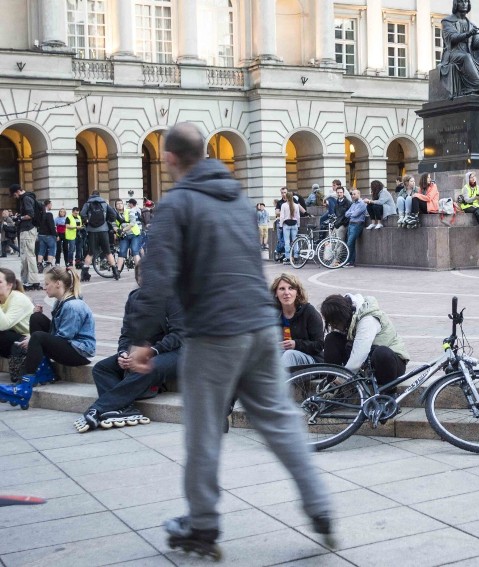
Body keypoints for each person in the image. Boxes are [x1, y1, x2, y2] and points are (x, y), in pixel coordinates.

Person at [126, 122, 333, 555]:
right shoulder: (238, 199)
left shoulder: (176, 204)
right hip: (260, 325)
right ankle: (319, 505)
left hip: (214, 332)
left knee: (202, 431)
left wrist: (141, 339)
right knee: (279, 419)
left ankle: (202, 525)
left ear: (169, 159)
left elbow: (157, 277)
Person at [75, 263, 184, 433]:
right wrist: (123, 353)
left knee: (148, 367)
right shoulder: (134, 299)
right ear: (137, 278)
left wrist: (152, 351)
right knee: (101, 368)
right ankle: (124, 409)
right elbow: (126, 334)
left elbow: (179, 334)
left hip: (177, 351)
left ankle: (98, 408)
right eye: (142, 276)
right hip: (142, 351)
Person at [0, 267, 95, 410]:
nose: (44, 287)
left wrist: (33, 339)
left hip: (79, 353)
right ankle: (43, 371)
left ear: (58, 284)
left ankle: (25, 387)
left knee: (38, 337)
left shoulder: (73, 306)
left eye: (46, 283)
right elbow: (56, 334)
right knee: (36, 317)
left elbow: (64, 337)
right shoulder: (60, 302)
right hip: (68, 344)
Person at [320, 293, 409, 386]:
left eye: (334, 323)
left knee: (381, 353)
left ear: (341, 317)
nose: (334, 327)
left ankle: (389, 394)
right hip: (368, 361)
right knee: (332, 339)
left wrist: (339, 381)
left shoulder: (368, 320)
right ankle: (330, 384)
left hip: (391, 364)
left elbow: (359, 356)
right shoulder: (351, 316)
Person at [438, 0, 479, 98]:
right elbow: (452, 38)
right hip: (452, 53)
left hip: (468, 53)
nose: (464, 4)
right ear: (456, 4)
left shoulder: (471, 25)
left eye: (466, 1)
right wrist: (468, 33)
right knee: (466, 57)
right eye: (461, 1)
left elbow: (475, 44)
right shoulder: (447, 21)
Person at [273, 273, 324, 367]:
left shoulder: (309, 312)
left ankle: (279, 381)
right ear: (276, 293)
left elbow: (319, 345)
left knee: (289, 355)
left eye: (291, 288)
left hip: (312, 359)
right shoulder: (274, 314)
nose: (286, 293)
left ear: (297, 292)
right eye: (282, 289)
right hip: (283, 357)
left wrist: (296, 344)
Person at [80, 191, 119, 281]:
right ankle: (115, 272)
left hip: (92, 231)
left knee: (91, 252)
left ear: (91, 195)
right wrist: (107, 221)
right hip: (103, 230)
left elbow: (82, 214)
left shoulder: (87, 203)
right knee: (108, 252)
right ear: (99, 195)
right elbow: (113, 214)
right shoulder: (104, 203)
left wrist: (87, 221)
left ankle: (84, 273)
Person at [9, 184, 41, 290]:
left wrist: (19, 218)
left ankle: (31, 281)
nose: (14, 197)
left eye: (14, 195)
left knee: (28, 255)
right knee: (26, 255)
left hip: (27, 230)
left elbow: (30, 215)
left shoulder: (26, 198)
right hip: (28, 229)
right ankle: (29, 280)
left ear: (18, 191)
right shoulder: (27, 198)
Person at [0, 268, 34, 359]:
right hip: (12, 336)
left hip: (28, 341)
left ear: (9, 285)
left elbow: (3, 325)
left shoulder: (18, 299)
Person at [275, 191, 306, 263]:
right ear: (292, 197)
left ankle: (288, 257)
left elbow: (282, 216)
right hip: (294, 224)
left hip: (286, 224)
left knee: (287, 242)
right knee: (295, 241)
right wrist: (298, 225)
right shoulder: (296, 205)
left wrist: (281, 225)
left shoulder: (284, 205)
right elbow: (298, 216)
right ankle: (296, 256)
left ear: (286, 197)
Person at [458, 171, 479, 239]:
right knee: (478, 212)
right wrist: (474, 198)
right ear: (468, 179)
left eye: (474, 177)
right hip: (466, 206)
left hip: (475, 205)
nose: (473, 178)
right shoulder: (465, 188)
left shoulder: (477, 187)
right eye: (471, 177)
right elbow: (466, 199)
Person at [114, 199, 142, 273]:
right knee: (121, 252)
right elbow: (114, 225)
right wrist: (117, 230)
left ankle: (139, 271)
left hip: (134, 234)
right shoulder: (115, 214)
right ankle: (118, 271)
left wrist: (123, 230)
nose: (119, 205)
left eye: (121, 203)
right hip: (124, 236)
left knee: (135, 251)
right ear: (115, 206)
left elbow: (132, 223)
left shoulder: (129, 211)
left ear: (123, 204)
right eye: (117, 204)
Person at [341, 188, 367, 267]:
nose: (353, 195)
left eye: (354, 194)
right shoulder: (353, 204)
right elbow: (346, 214)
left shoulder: (362, 204)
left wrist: (351, 213)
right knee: (350, 243)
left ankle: (350, 261)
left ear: (359, 194)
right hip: (351, 224)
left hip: (357, 224)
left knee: (350, 242)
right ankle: (350, 261)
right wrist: (352, 213)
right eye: (352, 194)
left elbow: (355, 214)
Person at [36, 199, 56, 273]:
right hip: (49, 235)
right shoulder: (49, 214)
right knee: (52, 249)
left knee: (41, 250)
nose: (51, 206)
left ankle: (39, 265)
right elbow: (51, 226)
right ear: (48, 205)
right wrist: (56, 235)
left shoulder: (40, 214)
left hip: (41, 234)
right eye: (51, 204)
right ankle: (49, 264)